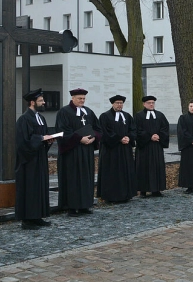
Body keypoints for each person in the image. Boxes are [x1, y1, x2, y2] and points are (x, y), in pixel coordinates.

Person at [56, 88, 102, 217]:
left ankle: (84, 205)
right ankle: (71, 207)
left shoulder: (88, 112)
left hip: (86, 151)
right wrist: (79, 139)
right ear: (73, 98)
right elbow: (62, 131)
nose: (82, 101)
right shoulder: (64, 112)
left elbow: (98, 128)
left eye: (83, 98)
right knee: (72, 179)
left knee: (86, 178)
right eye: (79, 98)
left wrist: (94, 138)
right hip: (72, 152)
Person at [15, 88, 55, 230]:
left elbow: (43, 135)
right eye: (41, 101)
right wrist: (41, 138)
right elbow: (23, 142)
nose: (44, 102)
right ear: (32, 102)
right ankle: (28, 220)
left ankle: (38, 216)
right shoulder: (24, 119)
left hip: (40, 158)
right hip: (29, 161)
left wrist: (48, 140)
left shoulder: (40, 118)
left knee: (40, 187)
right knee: (30, 188)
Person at [97, 95, 137, 203]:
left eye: (121, 103)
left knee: (125, 171)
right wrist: (119, 139)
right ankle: (111, 196)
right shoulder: (105, 116)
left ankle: (126, 195)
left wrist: (129, 137)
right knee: (112, 172)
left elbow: (133, 129)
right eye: (117, 103)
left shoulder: (127, 116)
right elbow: (105, 132)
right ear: (112, 104)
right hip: (111, 150)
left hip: (125, 150)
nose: (119, 105)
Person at [135, 96, 170, 197]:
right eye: (149, 103)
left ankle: (156, 189)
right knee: (143, 167)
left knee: (157, 166)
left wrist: (158, 136)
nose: (151, 104)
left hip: (156, 147)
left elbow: (165, 127)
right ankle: (143, 190)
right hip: (144, 147)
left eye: (153, 103)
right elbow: (137, 129)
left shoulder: (160, 115)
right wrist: (150, 137)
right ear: (144, 104)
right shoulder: (139, 116)